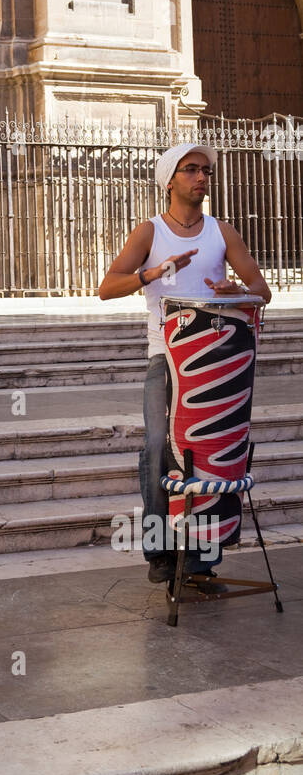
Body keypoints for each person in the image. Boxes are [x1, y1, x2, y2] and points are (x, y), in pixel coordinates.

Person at [98, 143, 271, 589]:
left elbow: (261, 289)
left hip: (216, 360)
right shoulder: (150, 233)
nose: (201, 178)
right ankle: (159, 552)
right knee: (158, 446)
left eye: (206, 171)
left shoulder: (222, 232)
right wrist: (150, 275)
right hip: (166, 358)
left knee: (208, 455)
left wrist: (237, 290)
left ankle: (200, 559)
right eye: (191, 170)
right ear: (170, 180)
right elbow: (106, 287)